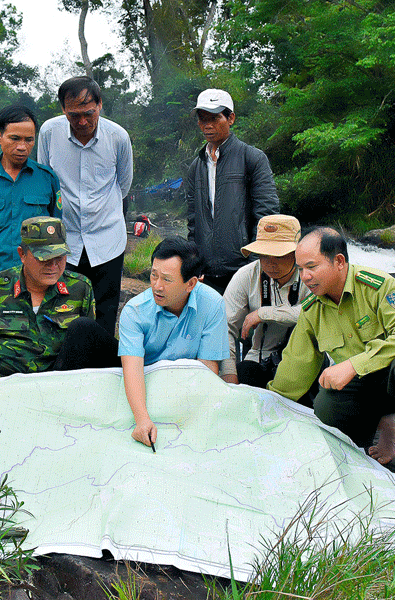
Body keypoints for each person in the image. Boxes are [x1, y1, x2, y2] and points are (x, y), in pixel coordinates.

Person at [267, 228, 395, 464]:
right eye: (300, 269)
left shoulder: (378, 286)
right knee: (326, 403)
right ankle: (367, 445)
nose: (305, 276)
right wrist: (269, 405)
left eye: (312, 267)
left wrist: (353, 365)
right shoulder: (312, 310)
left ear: (339, 261)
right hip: (372, 383)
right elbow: (295, 366)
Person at [0, 216, 118, 389]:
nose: (53, 266)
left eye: (60, 257)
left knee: (84, 328)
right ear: (22, 254)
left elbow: (85, 349)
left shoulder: (79, 288)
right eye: (44, 258)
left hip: (55, 388)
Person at [37, 76, 133, 335]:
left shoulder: (118, 137)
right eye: (74, 115)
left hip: (106, 240)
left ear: (100, 105)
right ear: (63, 110)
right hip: (63, 240)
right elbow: (46, 182)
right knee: (61, 310)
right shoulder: (49, 132)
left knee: (104, 311)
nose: (82, 122)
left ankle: (99, 367)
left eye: (88, 113)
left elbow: (123, 185)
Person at [118, 237, 228, 448]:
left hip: (186, 391)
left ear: (191, 284)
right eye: (153, 275)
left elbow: (208, 370)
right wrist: (142, 420)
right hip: (146, 388)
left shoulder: (213, 305)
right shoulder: (135, 311)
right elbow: (132, 370)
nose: (157, 286)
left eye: (166, 280)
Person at [185, 88, 279, 295]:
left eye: (215, 117)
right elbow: (193, 222)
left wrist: (256, 265)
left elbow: (267, 217)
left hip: (245, 270)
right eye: (202, 118)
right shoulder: (196, 167)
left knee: (245, 326)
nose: (207, 124)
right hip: (207, 273)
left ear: (231, 118)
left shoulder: (252, 158)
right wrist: (194, 263)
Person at [0, 105, 61, 277]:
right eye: (15, 138)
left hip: (37, 276)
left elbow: (56, 226)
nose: (22, 147)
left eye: (29, 140)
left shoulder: (47, 179)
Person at [221, 214, 310, 388]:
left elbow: (314, 313)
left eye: (279, 256)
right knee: (244, 372)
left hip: (305, 362)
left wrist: (264, 313)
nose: (270, 264)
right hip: (259, 360)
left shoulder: (311, 275)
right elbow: (225, 327)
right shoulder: (246, 275)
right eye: (264, 255)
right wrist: (229, 377)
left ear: (297, 252)